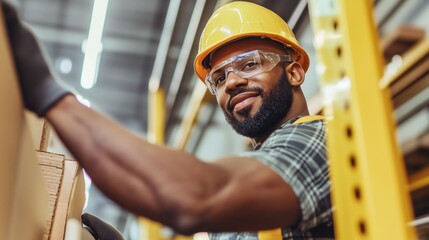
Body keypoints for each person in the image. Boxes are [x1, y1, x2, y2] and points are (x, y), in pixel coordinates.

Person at [4, 1, 334, 239]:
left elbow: (196, 197)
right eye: (218, 78)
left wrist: (52, 98)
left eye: (249, 64)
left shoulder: (322, 141)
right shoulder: (250, 182)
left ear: (294, 71)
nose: (231, 82)